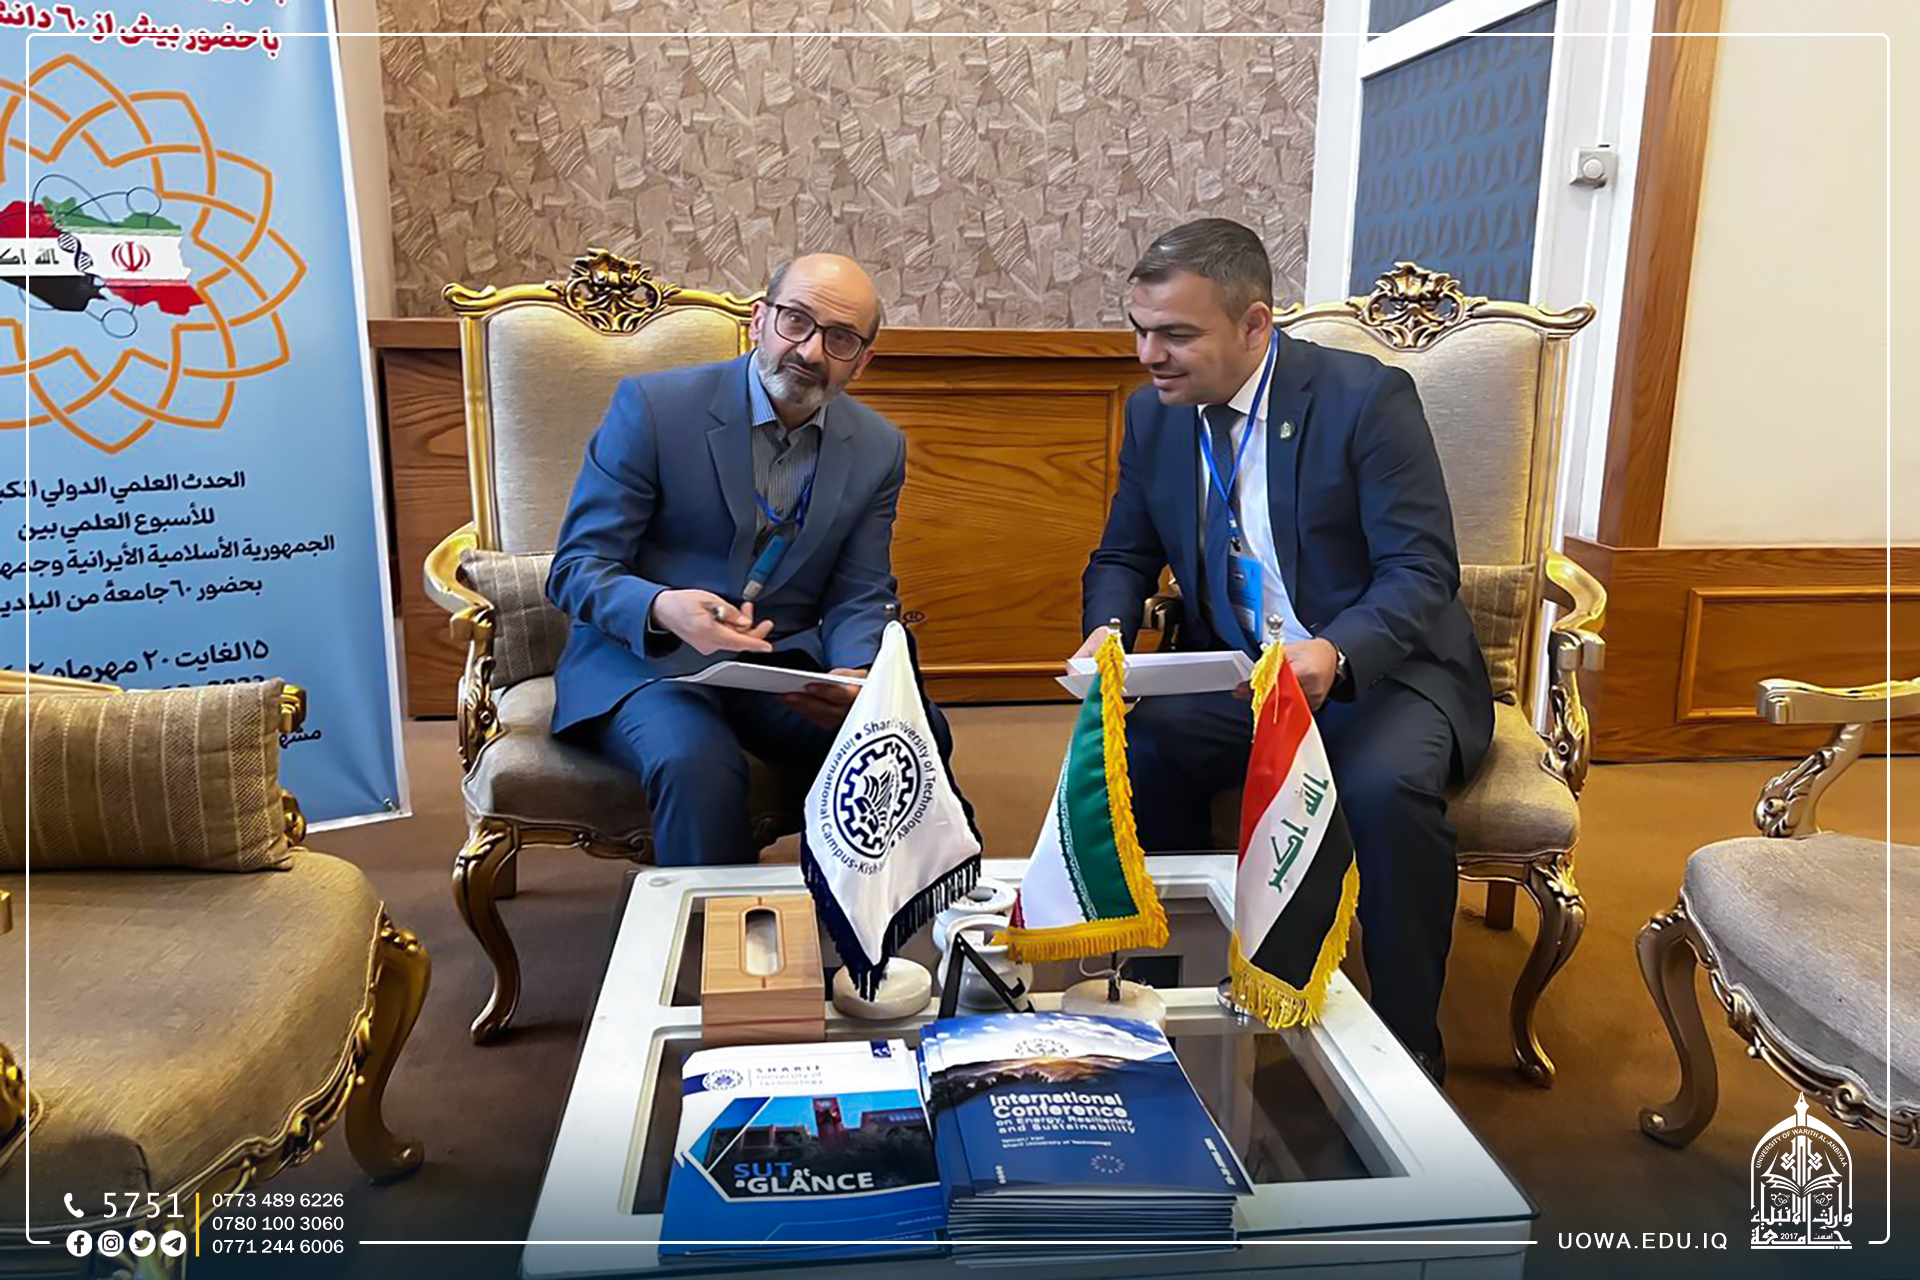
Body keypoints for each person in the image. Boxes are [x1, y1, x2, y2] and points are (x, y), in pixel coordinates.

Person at [1078, 218, 1493, 1076]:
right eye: (1140, 330)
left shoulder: (1363, 400)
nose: (1149, 356)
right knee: (1143, 748)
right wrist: (1108, 636)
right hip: (1244, 677)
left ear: (1254, 325)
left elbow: (1421, 569)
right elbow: (1122, 555)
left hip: (1380, 674)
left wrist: (1336, 652)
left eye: (1176, 335)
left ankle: (1408, 1048)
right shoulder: (1154, 416)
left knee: (1384, 790)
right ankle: (1174, 998)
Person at [547, 253, 949, 866]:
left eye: (840, 339)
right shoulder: (653, 408)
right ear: (759, 320)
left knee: (908, 736)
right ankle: (716, 928)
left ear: (862, 361)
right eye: (796, 321)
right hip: (646, 665)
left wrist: (853, 671)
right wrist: (662, 607)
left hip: (778, 670)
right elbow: (576, 566)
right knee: (696, 763)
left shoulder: (878, 447)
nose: (810, 352)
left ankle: (862, 916)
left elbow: (861, 589)